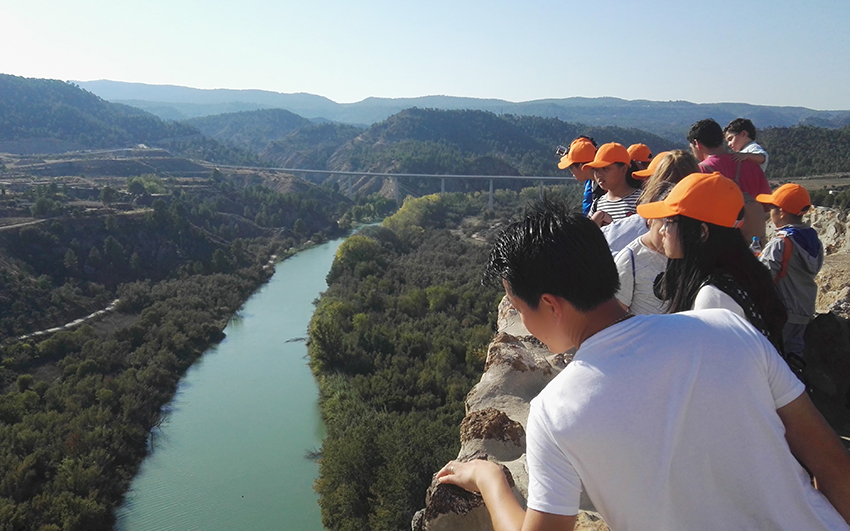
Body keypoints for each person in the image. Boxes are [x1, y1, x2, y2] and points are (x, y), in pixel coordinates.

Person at [437, 207, 850, 531]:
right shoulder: (729, 328)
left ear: (550, 305)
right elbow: (833, 466)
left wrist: (491, 479)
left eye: (520, 308)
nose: (524, 323)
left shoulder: (555, 413)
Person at [637, 172, 787, 353]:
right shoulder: (742, 273)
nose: (662, 230)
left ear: (702, 232)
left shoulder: (714, 300)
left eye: (669, 221)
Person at [755, 183, 824, 364]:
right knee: (794, 354)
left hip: (782, 310)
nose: (770, 211)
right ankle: (798, 384)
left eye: (772, 207)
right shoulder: (813, 239)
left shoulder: (780, 243)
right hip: (804, 309)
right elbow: (814, 268)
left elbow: (762, 277)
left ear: (782, 213)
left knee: (773, 357)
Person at [687, 118, 772, 242]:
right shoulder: (752, 165)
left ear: (697, 144)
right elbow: (766, 205)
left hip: (718, 244)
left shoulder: (700, 172)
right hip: (752, 244)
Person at [602, 149, 699, 255]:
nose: (645, 183)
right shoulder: (704, 231)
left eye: (648, 178)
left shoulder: (626, 228)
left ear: (657, 183)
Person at [613, 182, 673, 315]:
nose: (668, 232)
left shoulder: (681, 253)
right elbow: (617, 314)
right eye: (664, 224)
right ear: (650, 220)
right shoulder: (629, 259)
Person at [584, 143, 642, 226]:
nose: (599, 174)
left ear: (624, 169)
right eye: (596, 170)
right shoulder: (598, 203)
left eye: (605, 168)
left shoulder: (642, 200)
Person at [558, 137, 598, 215]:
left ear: (581, 166)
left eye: (571, 168)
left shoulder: (606, 186)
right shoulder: (593, 182)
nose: (571, 172)